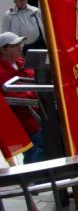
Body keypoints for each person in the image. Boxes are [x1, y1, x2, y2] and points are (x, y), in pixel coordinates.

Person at [0, 32, 43, 162]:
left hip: (39, 113)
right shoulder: (1, 71)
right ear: (4, 49)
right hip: (23, 119)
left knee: (46, 146)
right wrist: (37, 91)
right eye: (16, 45)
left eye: (20, 44)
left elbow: (34, 76)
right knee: (36, 149)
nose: (21, 47)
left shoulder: (20, 62)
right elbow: (14, 93)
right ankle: (33, 181)